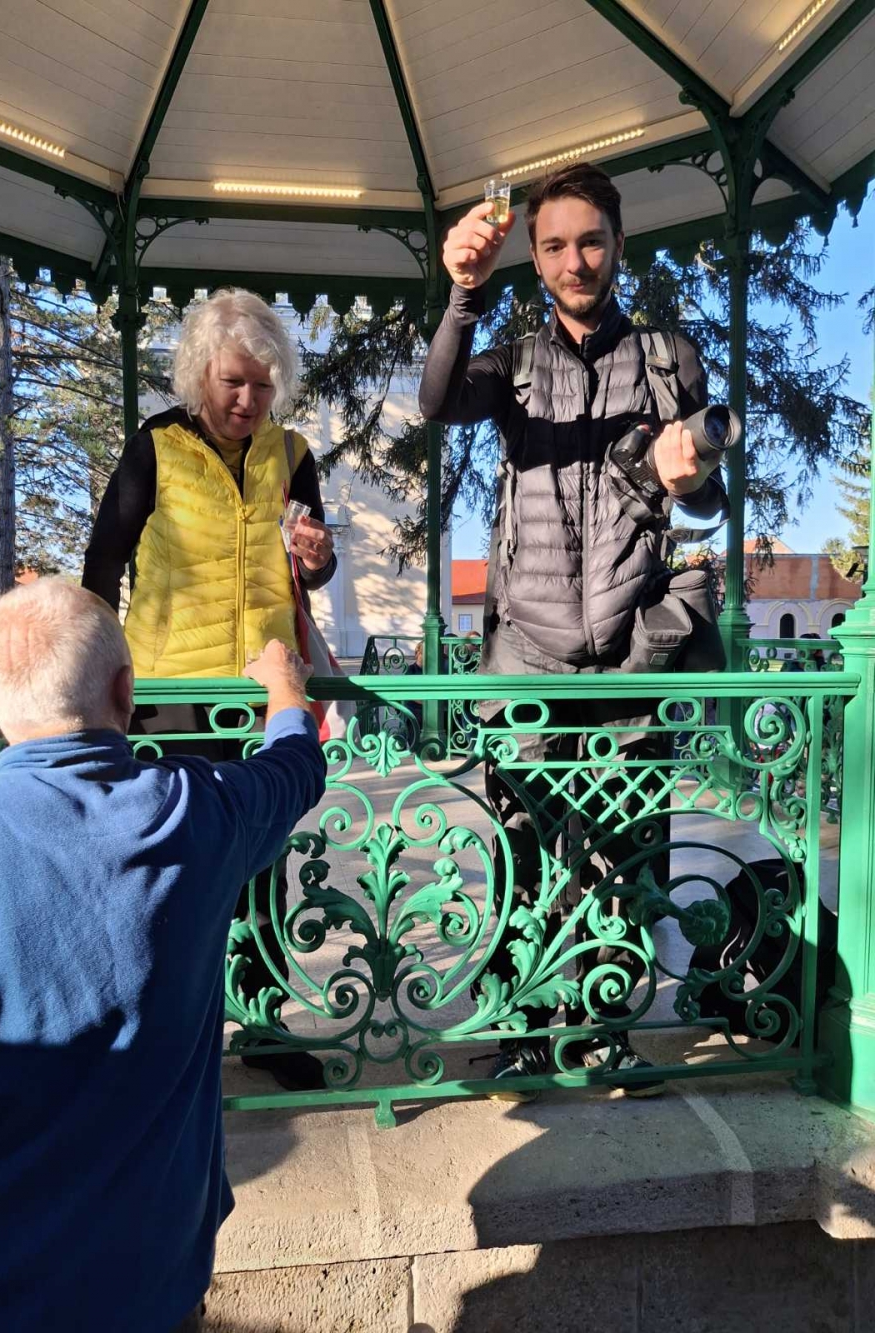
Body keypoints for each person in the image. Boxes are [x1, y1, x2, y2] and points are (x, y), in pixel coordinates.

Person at [0, 579, 325, 1333]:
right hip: (145, 1291)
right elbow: (294, 764)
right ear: (126, 688)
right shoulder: (194, 812)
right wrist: (283, 682)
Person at [419, 163, 728, 1099]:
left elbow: (708, 497)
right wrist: (463, 294)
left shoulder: (672, 358)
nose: (573, 260)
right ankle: (528, 1026)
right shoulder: (512, 362)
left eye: (589, 240)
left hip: (635, 645)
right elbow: (437, 401)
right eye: (553, 245)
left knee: (634, 839)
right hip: (527, 654)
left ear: (619, 245)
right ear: (535, 255)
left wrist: (691, 477)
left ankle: (616, 1025)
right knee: (526, 844)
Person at [83, 287, 335, 1092]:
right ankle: (158, 1024)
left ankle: (261, 1025)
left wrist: (318, 555)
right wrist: (102, 673)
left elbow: (313, 573)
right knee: (169, 865)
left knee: (263, 861)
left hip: (264, 693)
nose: (247, 400)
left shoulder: (293, 454)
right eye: (233, 381)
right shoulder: (156, 445)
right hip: (169, 692)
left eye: (262, 385)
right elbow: (102, 562)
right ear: (199, 372)